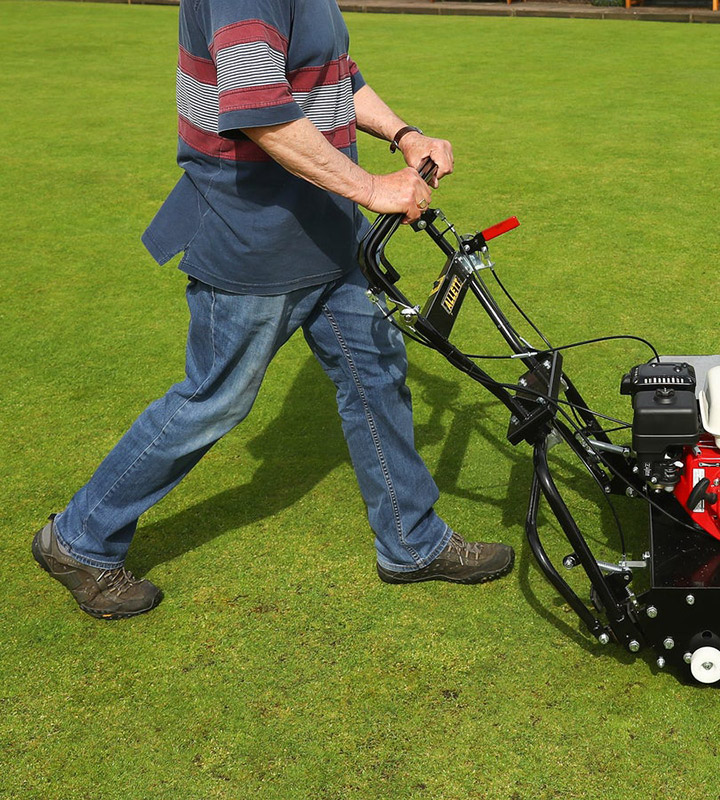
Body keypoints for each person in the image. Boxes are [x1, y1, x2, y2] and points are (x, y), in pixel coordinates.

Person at [32, 0, 513, 620]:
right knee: (215, 398)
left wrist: (404, 134)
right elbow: (261, 112)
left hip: (326, 233)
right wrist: (373, 188)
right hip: (254, 237)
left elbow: (335, 77)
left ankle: (411, 542)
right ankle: (79, 539)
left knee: (376, 372)